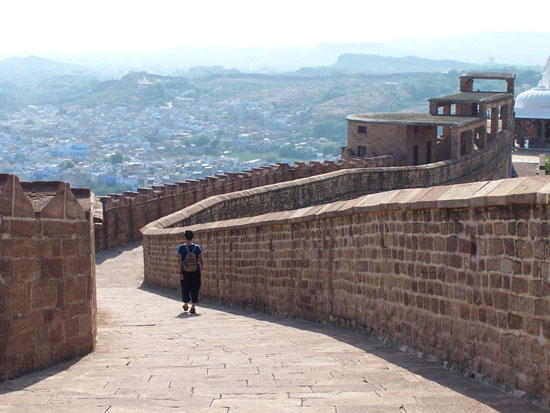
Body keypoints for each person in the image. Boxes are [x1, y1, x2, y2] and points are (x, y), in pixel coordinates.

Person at [177, 230, 204, 314]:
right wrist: (201, 269)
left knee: (185, 287)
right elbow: (201, 260)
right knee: (195, 288)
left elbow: (179, 261)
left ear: (185, 237)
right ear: (192, 237)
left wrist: (180, 272)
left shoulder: (181, 247)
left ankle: (185, 304)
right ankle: (193, 306)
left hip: (185, 271)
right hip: (195, 271)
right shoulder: (197, 247)